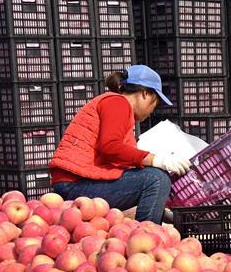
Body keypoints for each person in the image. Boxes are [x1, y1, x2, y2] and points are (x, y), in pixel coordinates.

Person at [49, 65, 191, 224]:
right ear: (145, 93)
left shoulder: (117, 107)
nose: (152, 110)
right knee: (156, 179)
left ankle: (147, 230)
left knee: (153, 177)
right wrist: (156, 159)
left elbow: (122, 162)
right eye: (155, 102)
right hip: (75, 184)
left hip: (78, 183)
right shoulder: (117, 103)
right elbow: (110, 147)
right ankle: (147, 233)